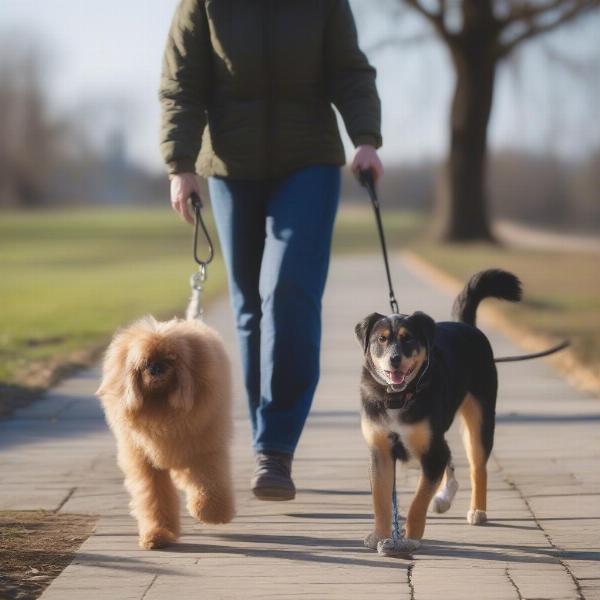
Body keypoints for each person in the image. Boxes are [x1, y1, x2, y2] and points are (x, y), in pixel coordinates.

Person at [159, 0, 383, 501]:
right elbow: (182, 83)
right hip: (230, 164)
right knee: (248, 306)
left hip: (309, 162)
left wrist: (365, 138)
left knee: (289, 291)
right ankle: (267, 435)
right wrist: (180, 163)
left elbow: (349, 68)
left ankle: (275, 448)